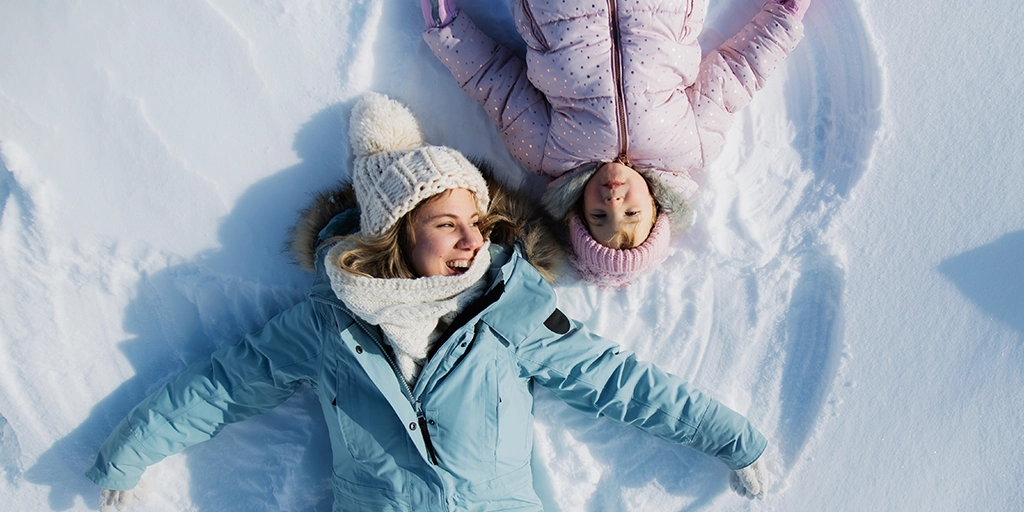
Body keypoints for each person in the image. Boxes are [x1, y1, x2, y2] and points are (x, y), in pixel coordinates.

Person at [87, 93, 769, 511]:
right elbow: (224, 385)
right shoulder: (330, 325)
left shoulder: (513, 311)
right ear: (396, 232)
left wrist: (730, 438)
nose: (471, 240)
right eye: (447, 225)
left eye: (475, 223)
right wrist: (132, 451)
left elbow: (621, 384)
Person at [421, 0, 810, 286]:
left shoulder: (549, 152)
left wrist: (448, 30)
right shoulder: (690, 145)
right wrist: (783, 17)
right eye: (632, 215)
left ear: (578, 212)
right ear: (656, 207)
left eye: (600, 218)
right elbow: (737, 74)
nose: (613, 204)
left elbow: (498, 85)